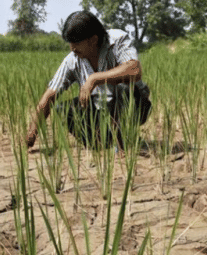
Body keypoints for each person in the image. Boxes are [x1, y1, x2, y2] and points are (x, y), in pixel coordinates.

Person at [26, 10, 151, 150]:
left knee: (123, 89)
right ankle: (103, 143)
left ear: (93, 40)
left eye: (76, 43)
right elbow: (49, 96)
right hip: (101, 108)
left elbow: (134, 70)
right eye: (70, 43)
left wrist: (95, 78)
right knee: (64, 109)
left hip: (134, 103)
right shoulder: (72, 60)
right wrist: (32, 133)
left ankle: (124, 143)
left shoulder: (117, 40)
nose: (72, 48)